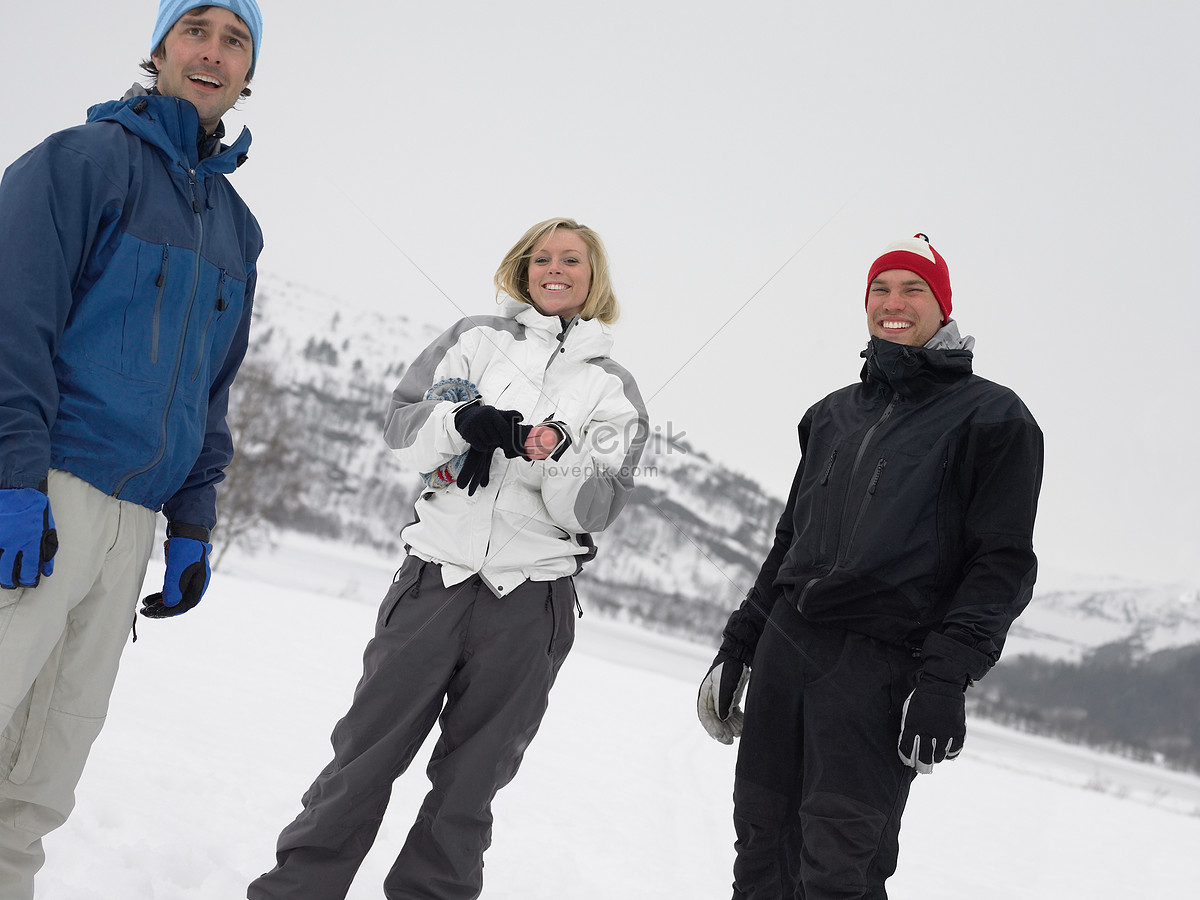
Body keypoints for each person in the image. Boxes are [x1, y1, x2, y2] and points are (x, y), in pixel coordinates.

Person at [249, 217, 649, 900]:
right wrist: (461, 423)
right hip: (434, 580)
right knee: (364, 757)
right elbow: (403, 434)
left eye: (572, 260)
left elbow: (597, 510)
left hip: (530, 604)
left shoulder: (614, 389)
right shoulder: (474, 338)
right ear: (522, 268)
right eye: (542, 257)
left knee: (472, 783)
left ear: (594, 276)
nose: (556, 269)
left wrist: (556, 454)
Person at [0, 2, 264, 896]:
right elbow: (12, 327)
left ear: (248, 70)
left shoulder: (238, 226)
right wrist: (11, 483)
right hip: (43, 494)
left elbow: (210, 388)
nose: (213, 52)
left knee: (41, 779)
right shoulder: (81, 163)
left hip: (130, 528)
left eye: (236, 40)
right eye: (196, 29)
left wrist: (192, 520)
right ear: (158, 49)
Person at [697, 234, 1044, 898]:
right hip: (785, 653)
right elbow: (788, 545)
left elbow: (1000, 565)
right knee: (760, 850)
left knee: (839, 866)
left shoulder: (994, 418)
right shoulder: (830, 415)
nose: (894, 303)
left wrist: (944, 680)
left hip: (879, 670)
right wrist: (737, 647)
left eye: (914, 289)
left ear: (942, 305)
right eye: (880, 289)